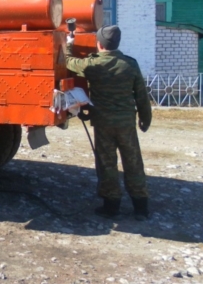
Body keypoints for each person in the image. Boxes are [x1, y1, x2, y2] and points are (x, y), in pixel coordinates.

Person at [65, 25, 153, 220]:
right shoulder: (130, 64)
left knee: (107, 163)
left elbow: (68, 62)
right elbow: (142, 97)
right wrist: (145, 120)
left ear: (99, 44)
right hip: (126, 123)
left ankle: (111, 206)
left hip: (103, 123)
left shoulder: (92, 65)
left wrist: (69, 45)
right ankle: (141, 207)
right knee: (133, 162)